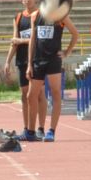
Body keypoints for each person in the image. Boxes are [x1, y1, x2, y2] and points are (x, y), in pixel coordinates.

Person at [26, 8, 78, 142]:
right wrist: (29, 64)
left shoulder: (60, 15)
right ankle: (31, 131)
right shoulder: (35, 15)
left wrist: (67, 52)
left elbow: (75, 34)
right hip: (38, 60)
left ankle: (51, 131)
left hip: (53, 60)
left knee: (55, 93)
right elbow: (32, 39)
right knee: (31, 95)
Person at [3, 0, 39, 139]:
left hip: (37, 60)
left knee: (36, 95)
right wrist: (7, 61)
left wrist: (21, 40)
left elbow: (39, 40)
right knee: (24, 95)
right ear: (21, 0)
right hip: (22, 60)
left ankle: (39, 128)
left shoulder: (40, 16)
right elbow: (14, 41)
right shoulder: (18, 17)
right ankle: (26, 128)